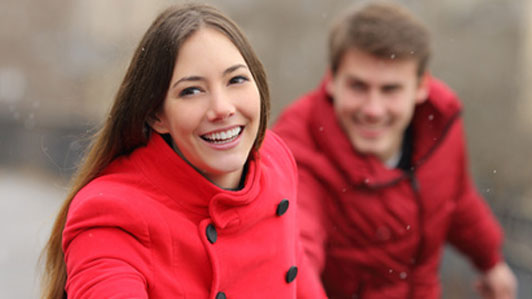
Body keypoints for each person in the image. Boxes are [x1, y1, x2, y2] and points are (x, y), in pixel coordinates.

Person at [40, 4, 326, 299]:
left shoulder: (274, 161)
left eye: (236, 80)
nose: (222, 108)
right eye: (191, 91)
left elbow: (292, 267)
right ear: (156, 115)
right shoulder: (111, 212)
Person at [273, 1, 517, 298]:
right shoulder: (294, 149)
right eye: (358, 86)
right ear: (332, 81)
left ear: (421, 87)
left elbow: (458, 199)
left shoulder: (440, 125)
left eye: (390, 90)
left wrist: (491, 261)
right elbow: (296, 245)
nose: (373, 110)